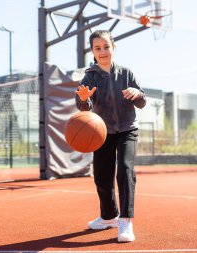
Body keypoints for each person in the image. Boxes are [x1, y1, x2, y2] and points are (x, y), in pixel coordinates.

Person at [75, 30, 146, 243]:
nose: (103, 51)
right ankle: (108, 217)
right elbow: (83, 107)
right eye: (98, 48)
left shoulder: (126, 73)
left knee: (125, 170)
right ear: (93, 52)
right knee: (101, 177)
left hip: (127, 129)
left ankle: (125, 220)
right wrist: (84, 100)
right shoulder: (89, 76)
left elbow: (142, 102)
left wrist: (137, 94)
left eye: (106, 46)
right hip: (102, 131)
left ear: (113, 47)